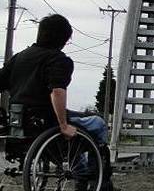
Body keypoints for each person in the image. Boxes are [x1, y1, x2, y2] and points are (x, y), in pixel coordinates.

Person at [0, 14, 109, 145]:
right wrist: (63, 125)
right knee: (98, 122)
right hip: (46, 121)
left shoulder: (18, 58)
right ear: (63, 39)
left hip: (18, 121)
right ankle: (94, 164)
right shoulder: (58, 60)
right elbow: (57, 91)